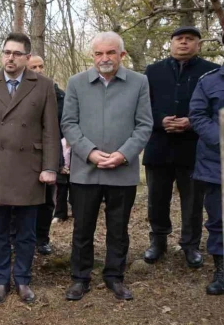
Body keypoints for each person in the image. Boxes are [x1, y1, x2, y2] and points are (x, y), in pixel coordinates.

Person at [61, 31, 152, 301]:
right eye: (99, 53)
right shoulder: (76, 83)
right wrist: (89, 152)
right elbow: (69, 123)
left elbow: (144, 124)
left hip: (122, 170)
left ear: (121, 54)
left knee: (118, 228)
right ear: (93, 56)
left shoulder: (139, 82)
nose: (104, 58)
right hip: (85, 171)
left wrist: (123, 154)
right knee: (82, 228)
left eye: (111, 52)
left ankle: (114, 276)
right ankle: (80, 278)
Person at [0, 33, 60, 304]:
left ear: (27, 57)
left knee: (26, 232)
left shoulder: (44, 86)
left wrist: (50, 167)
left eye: (17, 53)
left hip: (29, 169)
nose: (10, 58)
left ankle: (22, 279)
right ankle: (1, 280)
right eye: (6, 52)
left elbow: (50, 130)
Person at [142, 26, 218, 267]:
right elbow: (142, 106)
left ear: (198, 44)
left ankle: (190, 245)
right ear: (171, 43)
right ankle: (158, 241)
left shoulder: (210, 72)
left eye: (190, 39)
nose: (184, 42)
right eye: (179, 39)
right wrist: (160, 120)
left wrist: (191, 122)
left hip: (194, 148)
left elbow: (215, 110)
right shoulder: (153, 71)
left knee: (193, 201)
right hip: (158, 146)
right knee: (157, 199)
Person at [189, 63, 224, 295]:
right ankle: (222, 271)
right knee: (219, 220)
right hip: (217, 164)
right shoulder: (209, 81)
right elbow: (198, 115)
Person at [27, 54, 66, 254]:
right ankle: (18, 238)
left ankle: (42, 239)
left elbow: (64, 124)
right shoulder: (17, 92)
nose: (38, 70)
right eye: (33, 67)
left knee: (47, 200)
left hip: (50, 153)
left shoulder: (57, 94)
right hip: (24, 155)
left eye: (41, 66)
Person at [53, 138, 72, 223]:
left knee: (75, 193)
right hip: (61, 171)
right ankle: (59, 215)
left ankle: (75, 213)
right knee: (61, 193)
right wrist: (60, 168)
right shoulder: (60, 142)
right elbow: (55, 157)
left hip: (74, 171)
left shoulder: (76, 143)